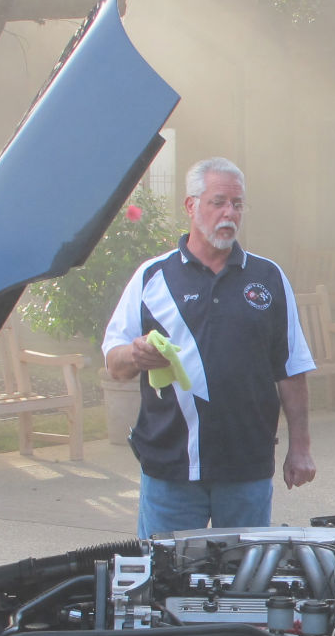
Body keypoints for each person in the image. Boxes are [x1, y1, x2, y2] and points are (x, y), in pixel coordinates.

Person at [103, 157, 317, 538]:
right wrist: (135, 354)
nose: (229, 214)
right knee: (166, 586)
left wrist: (300, 447)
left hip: (246, 468)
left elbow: (291, 370)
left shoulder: (267, 277)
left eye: (237, 204)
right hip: (170, 468)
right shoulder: (153, 277)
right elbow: (114, 361)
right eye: (218, 202)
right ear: (191, 206)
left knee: (243, 585)